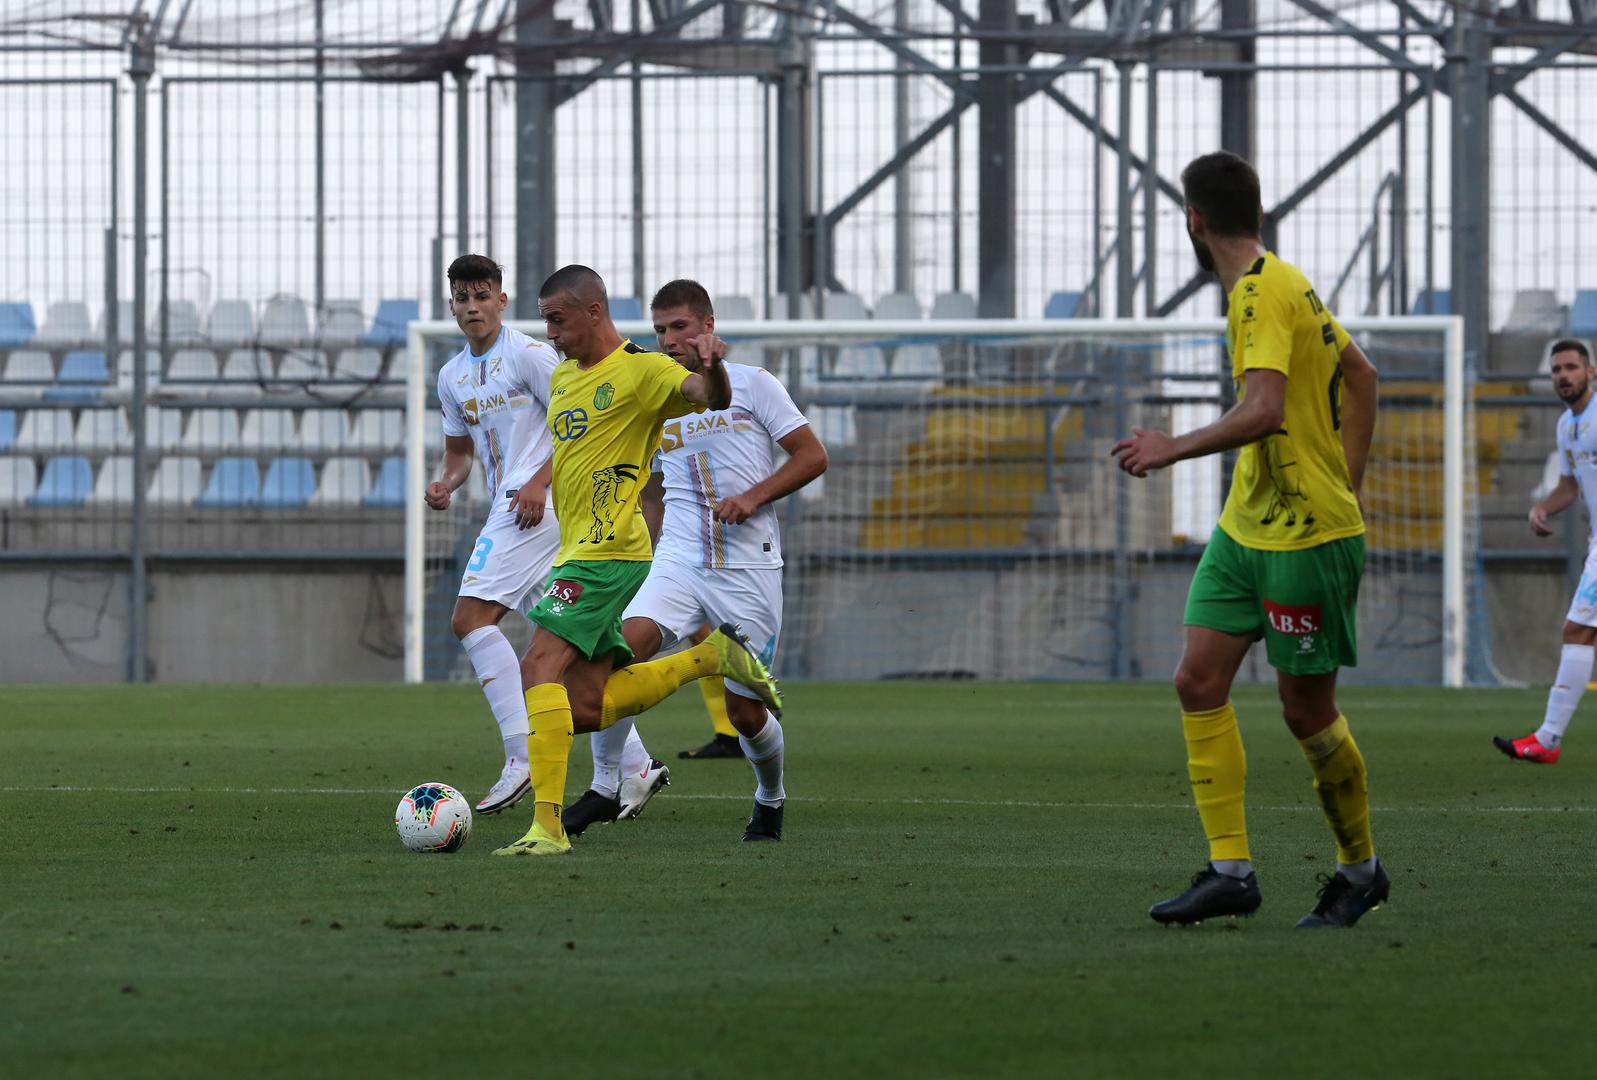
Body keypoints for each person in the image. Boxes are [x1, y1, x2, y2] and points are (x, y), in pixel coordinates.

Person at [1111, 150, 1385, 928]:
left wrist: (1170, 447)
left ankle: (1360, 871)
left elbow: (1264, 410)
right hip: (1244, 526)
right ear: (1256, 214)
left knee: (1305, 713)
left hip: (1304, 539)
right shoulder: (1280, 279)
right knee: (1197, 681)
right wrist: (1347, 474)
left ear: (1191, 220)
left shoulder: (1262, 294)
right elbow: (1363, 376)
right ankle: (1230, 872)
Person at [493, 265, 781, 858]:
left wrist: (712, 365)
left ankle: (548, 829)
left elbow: (709, 396)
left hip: (608, 553)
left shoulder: (644, 370)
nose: (550, 334)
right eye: (545, 322)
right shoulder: (566, 377)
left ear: (594, 312)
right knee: (587, 705)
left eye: (557, 320)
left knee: (537, 667)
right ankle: (709, 657)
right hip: (579, 550)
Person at [560, 279, 828, 842]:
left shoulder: (754, 384)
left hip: (748, 568)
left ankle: (770, 796)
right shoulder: (659, 391)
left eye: (679, 326)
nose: (668, 339)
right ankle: (607, 784)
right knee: (615, 657)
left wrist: (753, 497)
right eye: (660, 329)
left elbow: (812, 455)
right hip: (678, 561)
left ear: (708, 325)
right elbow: (648, 475)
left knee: (745, 715)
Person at [424, 254, 560, 816]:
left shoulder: (530, 355)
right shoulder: (451, 376)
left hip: (537, 505)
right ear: (452, 305)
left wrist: (538, 483)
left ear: (502, 300)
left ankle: (522, 756)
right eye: (463, 298)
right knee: (568, 643)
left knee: (469, 618)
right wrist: (446, 482)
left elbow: (578, 427)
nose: (472, 306)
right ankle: (634, 767)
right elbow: (459, 454)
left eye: (482, 296)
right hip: (514, 503)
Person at [1495, 339, 1597, 764]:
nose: (1563, 375)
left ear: (1590, 371)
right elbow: (1569, 486)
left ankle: (1548, 738)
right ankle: (1548, 739)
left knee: (1577, 630)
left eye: (1571, 367)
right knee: (1579, 631)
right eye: (1557, 369)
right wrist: (1542, 508)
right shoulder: (1566, 426)